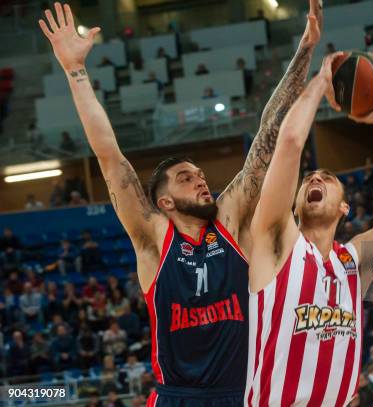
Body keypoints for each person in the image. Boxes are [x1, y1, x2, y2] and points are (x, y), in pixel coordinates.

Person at [39, 0, 323, 404]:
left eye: (201, 175)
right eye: (187, 179)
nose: (201, 182)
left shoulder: (228, 219)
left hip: (239, 393)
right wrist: (75, 70)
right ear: (165, 201)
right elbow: (110, 157)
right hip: (177, 396)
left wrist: (305, 49)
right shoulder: (154, 237)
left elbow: (269, 133)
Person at [245, 54, 373, 405]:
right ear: (296, 202)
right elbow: (288, 144)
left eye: (327, 178)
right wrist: (322, 82)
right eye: (310, 178)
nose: (316, 176)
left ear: (345, 208)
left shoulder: (355, 262)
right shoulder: (274, 241)